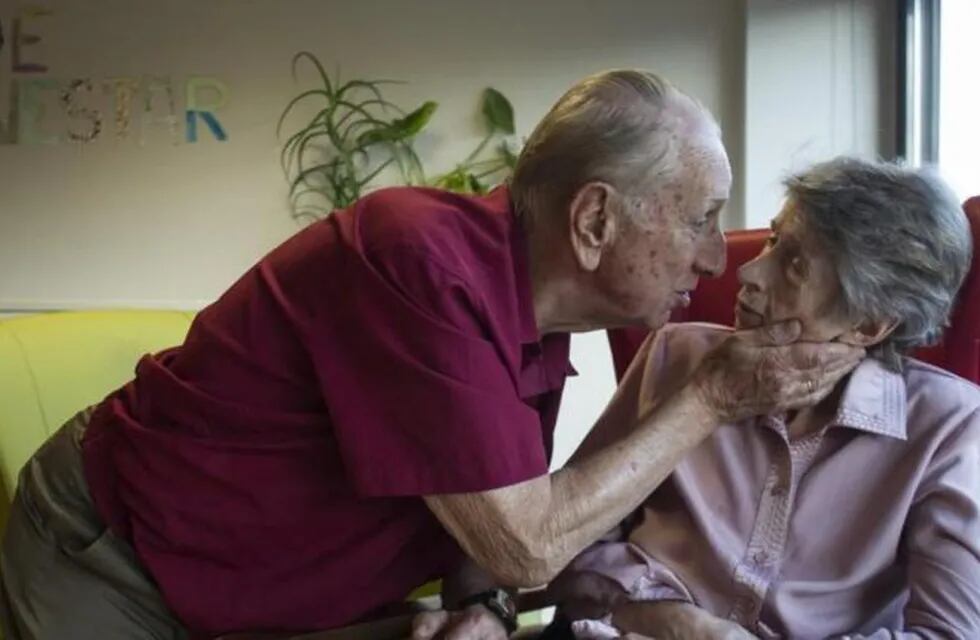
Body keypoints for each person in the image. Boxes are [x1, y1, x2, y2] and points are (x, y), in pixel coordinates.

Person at [0, 70, 861, 640]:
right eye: (701, 218)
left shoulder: (546, 311)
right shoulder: (417, 262)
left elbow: (487, 521)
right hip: (116, 553)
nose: (717, 259)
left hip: (266, 588)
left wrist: (482, 603)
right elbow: (529, 544)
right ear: (596, 222)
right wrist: (710, 398)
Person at [544, 157, 979, 640]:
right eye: (774, 239)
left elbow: (950, 633)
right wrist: (678, 622)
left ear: (869, 325)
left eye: (793, 265)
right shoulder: (676, 354)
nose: (748, 271)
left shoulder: (950, 426)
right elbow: (568, 537)